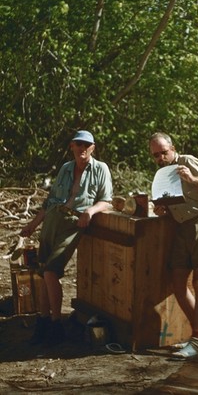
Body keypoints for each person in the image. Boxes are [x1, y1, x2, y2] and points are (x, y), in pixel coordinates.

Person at [20, 130, 113, 346]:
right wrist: (33, 225)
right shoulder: (66, 168)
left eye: (86, 145)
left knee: (52, 271)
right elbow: (50, 201)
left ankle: (56, 323)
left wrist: (89, 212)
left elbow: (106, 200)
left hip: (73, 224)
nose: (82, 149)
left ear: (92, 148)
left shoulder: (101, 169)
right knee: (43, 272)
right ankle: (43, 323)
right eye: (78, 144)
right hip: (53, 220)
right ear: (71, 146)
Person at [149, 132, 198, 359]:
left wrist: (193, 179)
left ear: (172, 148)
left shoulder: (186, 161)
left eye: (163, 152)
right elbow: (170, 201)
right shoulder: (162, 174)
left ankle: (196, 339)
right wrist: (162, 209)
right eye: (156, 155)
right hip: (182, 228)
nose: (160, 158)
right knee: (177, 281)